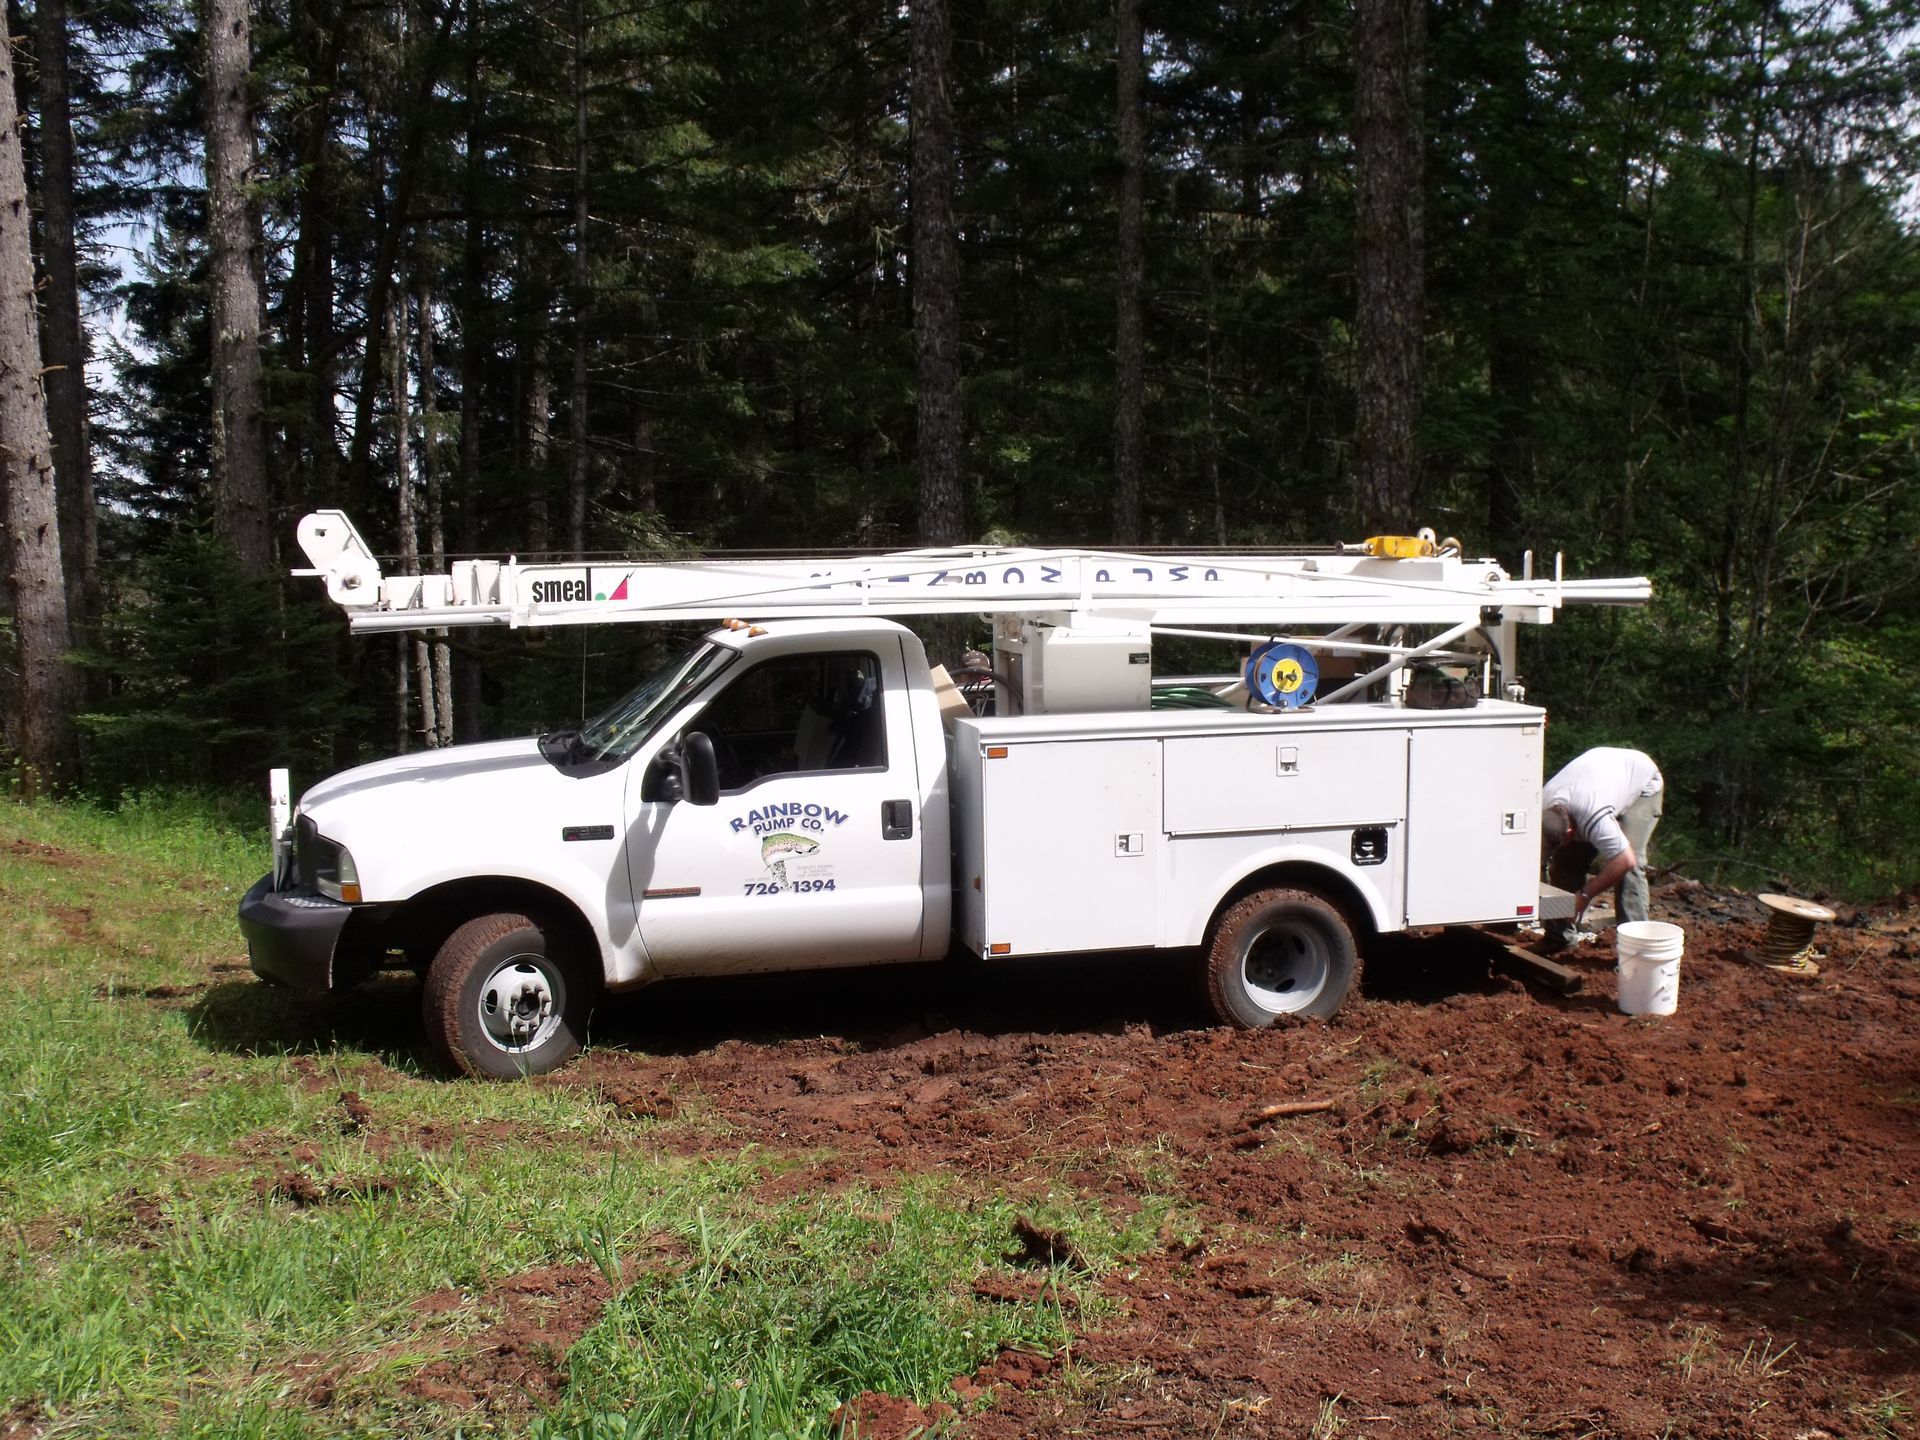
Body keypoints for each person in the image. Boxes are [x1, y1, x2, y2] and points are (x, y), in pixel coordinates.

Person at [1541, 747, 1664, 944]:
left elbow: (1625, 861)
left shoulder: (1593, 816)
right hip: (1601, 779)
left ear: (1571, 832)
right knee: (1564, 863)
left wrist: (1585, 895)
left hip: (1642, 785)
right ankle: (1558, 937)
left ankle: (1636, 949)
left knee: (1630, 869)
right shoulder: (1543, 802)